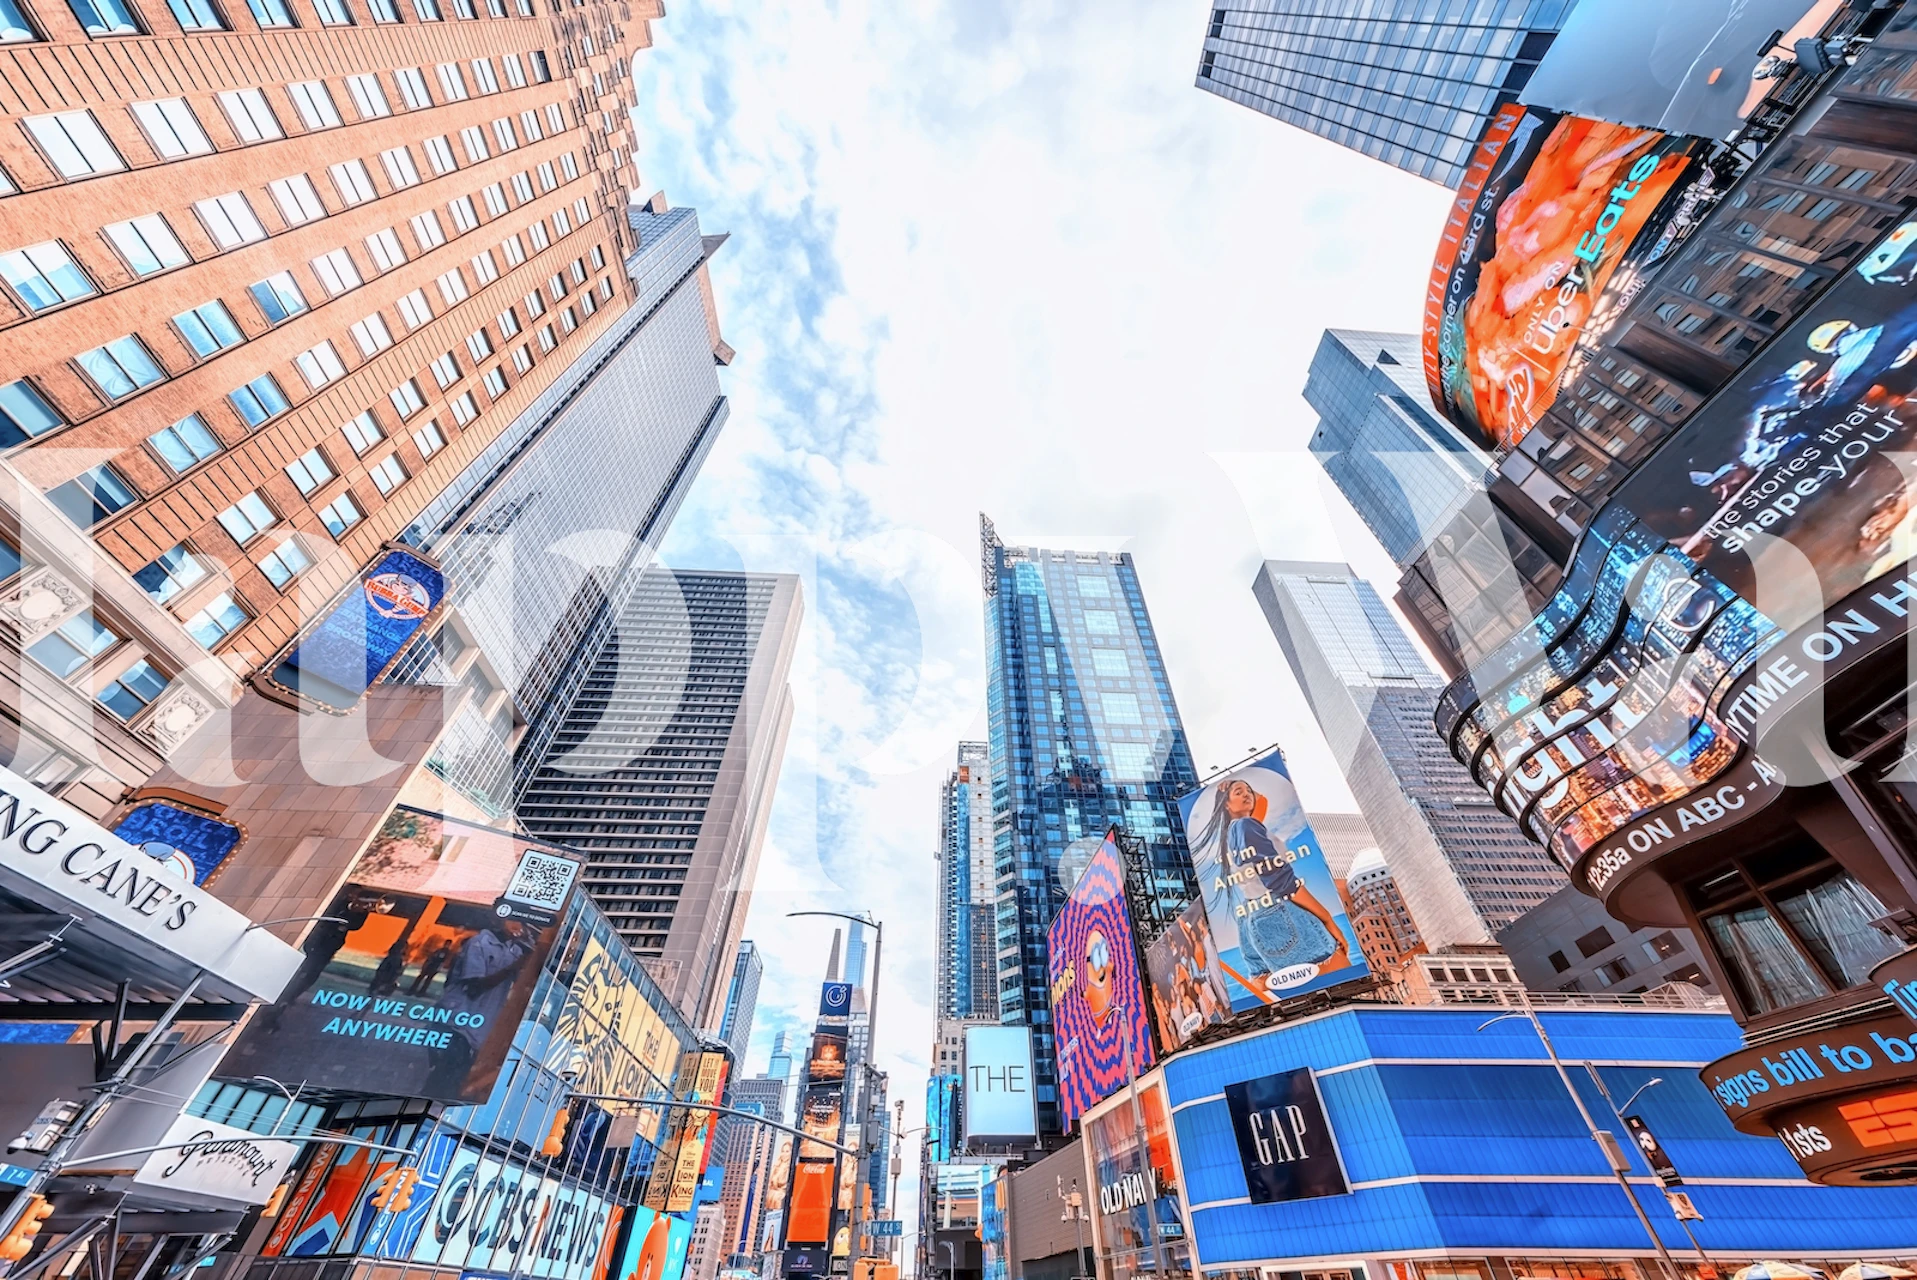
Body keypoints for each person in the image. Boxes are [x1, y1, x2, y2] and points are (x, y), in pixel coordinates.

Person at [1187, 778, 1350, 989]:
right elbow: (1282, 882)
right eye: (1239, 792)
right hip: (1279, 911)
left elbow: (1261, 801)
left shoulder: (1235, 832)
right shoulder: (1246, 826)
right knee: (1341, 983)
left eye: (1249, 790)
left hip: (1251, 917)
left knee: (1279, 999)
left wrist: (1236, 785)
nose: (1247, 794)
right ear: (1226, 805)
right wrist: (1328, 919)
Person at [422, 909, 536, 1098]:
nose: (517, 926)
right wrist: (514, 966)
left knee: (457, 1082)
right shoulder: (479, 944)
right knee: (443, 1078)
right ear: (497, 919)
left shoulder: (516, 949)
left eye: (521, 922)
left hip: (479, 1028)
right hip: (456, 1022)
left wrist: (530, 953)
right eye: (512, 920)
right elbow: (475, 986)